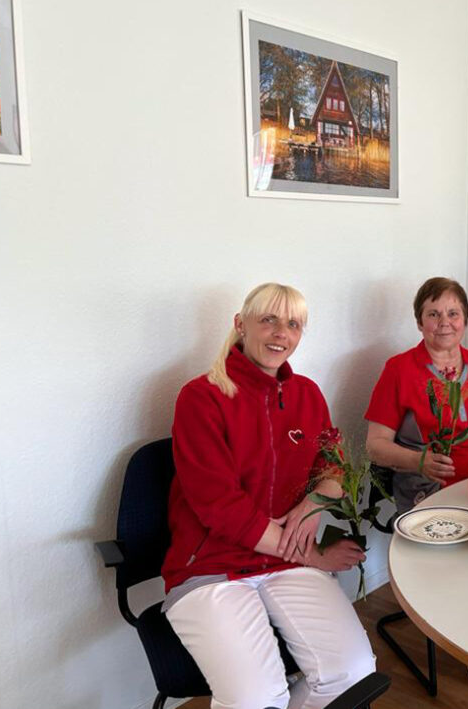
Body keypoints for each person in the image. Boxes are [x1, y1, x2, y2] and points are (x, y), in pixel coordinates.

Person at [162, 283, 375, 709]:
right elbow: (221, 507)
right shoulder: (201, 397)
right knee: (257, 698)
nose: (281, 333)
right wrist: (311, 556)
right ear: (241, 325)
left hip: (284, 562)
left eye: (293, 324)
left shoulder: (307, 394)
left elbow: (334, 468)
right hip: (212, 568)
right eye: (269, 320)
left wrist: (315, 503)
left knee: (352, 675)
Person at [364, 276, 468, 690]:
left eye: (453, 313)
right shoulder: (399, 370)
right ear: (419, 322)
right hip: (426, 491)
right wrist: (419, 460)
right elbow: (375, 446)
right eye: (433, 314)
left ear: (465, 319)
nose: (443, 322)